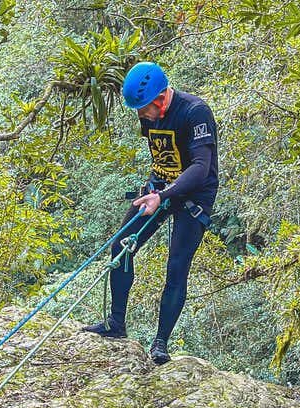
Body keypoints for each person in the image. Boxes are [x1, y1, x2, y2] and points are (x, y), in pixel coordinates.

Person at [83, 62, 219, 365]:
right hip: (160, 187)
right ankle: (116, 324)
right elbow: (161, 155)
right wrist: (155, 189)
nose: (141, 116)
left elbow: (200, 168)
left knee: (176, 267)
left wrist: (164, 195)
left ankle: (160, 344)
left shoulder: (195, 112)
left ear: (161, 98)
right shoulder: (149, 114)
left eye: (144, 109)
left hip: (194, 195)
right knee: (121, 244)